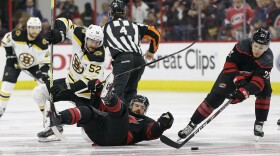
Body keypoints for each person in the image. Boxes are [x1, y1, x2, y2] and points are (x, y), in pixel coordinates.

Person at [177, 28, 273, 141]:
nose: (257, 50)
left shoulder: (267, 58)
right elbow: (229, 64)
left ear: (266, 47)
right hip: (233, 74)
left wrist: (244, 92)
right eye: (256, 46)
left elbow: (258, 83)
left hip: (253, 78)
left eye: (261, 48)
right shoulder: (242, 46)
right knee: (214, 98)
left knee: (265, 92)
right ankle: (192, 124)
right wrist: (237, 78)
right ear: (252, 42)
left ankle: (259, 122)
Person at [33, 17, 106, 140]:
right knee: (39, 93)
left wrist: (65, 90)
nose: (94, 45)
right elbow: (64, 21)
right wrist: (59, 34)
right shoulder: (79, 34)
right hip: (69, 82)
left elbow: (85, 83)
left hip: (85, 95)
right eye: (91, 41)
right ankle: (53, 125)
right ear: (86, 37)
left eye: (97, 42)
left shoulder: (98, 57)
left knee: (88, 137)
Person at [49, 74, 174, 146]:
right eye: (137, 105)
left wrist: (161, 125)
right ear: (131, 105)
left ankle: (109, 96)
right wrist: (96, 93)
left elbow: (152, 132)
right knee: (88, 110)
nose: (139, 108)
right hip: (98, 135)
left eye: (142, 108)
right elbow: (99, 109)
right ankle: (59, 118)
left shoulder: (145, 121)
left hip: (118, 137)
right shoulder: (124, 110)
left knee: (120, 112)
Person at [103, 0, 160, 105]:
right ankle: (130, 119)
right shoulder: (135, 25)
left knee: (116, 94)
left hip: (122, 60)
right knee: (130, 93)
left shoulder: (106, 28)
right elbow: (155, 33)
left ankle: (116, 120)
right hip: (139, 60)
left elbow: (96, 44)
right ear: (124, 12)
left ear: (111, 12)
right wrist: (151, 51)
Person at [0, 17, 50, 118]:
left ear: (40, 29)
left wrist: (44, 74)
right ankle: (1, 109)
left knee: (44, 88)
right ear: (27, 28)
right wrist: (11, 57)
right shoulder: (17, 34)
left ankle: (47, 113)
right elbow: (5, 39)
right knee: (6, 87)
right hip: (15, 63)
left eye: (37, 28)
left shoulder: (43, 43)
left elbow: (45, 62)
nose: (34, 30)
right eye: (32, 28)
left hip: (34, 66)